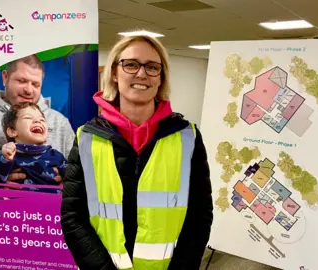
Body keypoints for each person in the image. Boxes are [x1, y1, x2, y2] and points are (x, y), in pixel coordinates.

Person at [60, 34, 213, 270]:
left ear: (161, 78)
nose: (141, 74)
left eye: (152, 67)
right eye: (130, 64)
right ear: (114, 72)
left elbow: (199, 216)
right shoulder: (87, 137)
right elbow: (73, 216)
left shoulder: (187, 137)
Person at [0, 54, 75, 183]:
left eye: (35, 84)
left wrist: (65, 182)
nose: (29, 90)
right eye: (22, 81)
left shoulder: (59, 121)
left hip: (52, 201)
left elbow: (77, 170)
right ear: (5, 77)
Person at [0, 102, 67, 194]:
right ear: (12, 131)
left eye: (42, 120)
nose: (37, 121)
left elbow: (74, 179)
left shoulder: (56, 155)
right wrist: (5, 158)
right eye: (28, 118)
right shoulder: (10, 157)